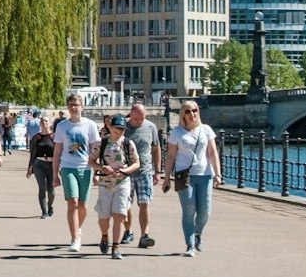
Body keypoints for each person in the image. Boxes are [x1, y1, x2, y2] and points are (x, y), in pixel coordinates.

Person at [165, 99, 220, 256]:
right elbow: (170, 156)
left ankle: (198, 234)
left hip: (205, 175)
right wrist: (167, 177)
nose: (192, 114)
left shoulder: (206, 130)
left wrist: (218, 174)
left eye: (194, 110)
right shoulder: (176, 133)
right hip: (185, 176)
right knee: (189, 210)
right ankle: (190, 245)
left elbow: (212, 153)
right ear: (183, 114)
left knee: (205, 211)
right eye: (188, 111)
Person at [51, 92, 100, 253]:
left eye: (76, 105)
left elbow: (95, 149)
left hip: (85, 167)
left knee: (83, 205)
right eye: (71, 104)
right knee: (72, 201)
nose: (73, 107)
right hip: (68, 166)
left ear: (82, 107)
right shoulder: (62, 126)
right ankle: (75, 238)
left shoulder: (90, 125)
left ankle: (78, 228)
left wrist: (97, 171)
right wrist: (55, 175)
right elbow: (57, 151)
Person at [92, 116, 141, 257]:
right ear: (110, 128)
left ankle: (116, 247)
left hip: (122, 183)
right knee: (104, 217)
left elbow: (136, 163)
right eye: (116, 128)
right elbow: (91, 161)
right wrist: (101, 168)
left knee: (119, 215)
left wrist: (125, 171)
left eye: (121, 129)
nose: (119, 131)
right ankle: (105, 235)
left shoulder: (127, 143)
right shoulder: (101, 143)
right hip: (105, 184)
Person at [122, 101, 158, 248]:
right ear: (131, 114)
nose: (140, 121)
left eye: (142, 118)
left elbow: (156, 149)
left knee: (144, 203)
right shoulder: (121, 126)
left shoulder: (151, 127)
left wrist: (158, 171)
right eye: (137, 118)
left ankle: (145, 235)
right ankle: (128, 231)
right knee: (126, 204)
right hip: (126, 172)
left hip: (145, 171)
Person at [26, 115, 57, 218]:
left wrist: (59, 166)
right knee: (42, 187)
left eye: (46, 121)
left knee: (51, 190)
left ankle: (50, 205)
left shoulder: (55, 137)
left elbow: (59, 152)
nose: (44, 123)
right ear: (40, 123)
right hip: (39, 164)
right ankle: (44, 211)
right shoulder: (36, 137)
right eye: (43, 121)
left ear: (50, 123)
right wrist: (30, 167)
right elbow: (33, 153)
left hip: (52, 165)